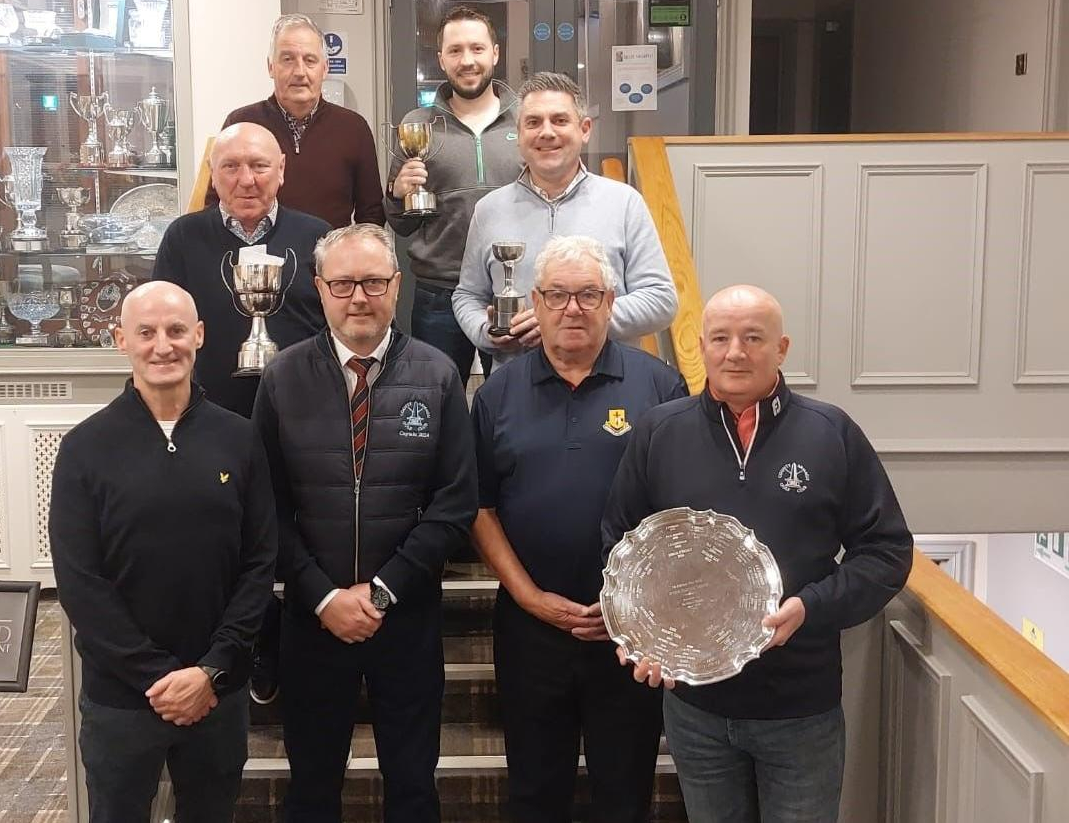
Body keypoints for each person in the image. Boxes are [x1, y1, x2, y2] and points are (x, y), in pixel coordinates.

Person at [602, 285, 914, 823]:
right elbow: (622, 546)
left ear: (781, 348)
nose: (735, 353)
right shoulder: (659, 431)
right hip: (696, 712)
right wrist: (641, 634)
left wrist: (812, 607)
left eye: (753, 338)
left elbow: (886, 551)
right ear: (701, 346)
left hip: (800, 709)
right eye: (720, 338)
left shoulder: (830, 432)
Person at [251, 223, 477, 822]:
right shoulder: (282, 377)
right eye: (344, 283)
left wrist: (380, 592)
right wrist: (323, 597)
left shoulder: (438, 375)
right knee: (311, 789)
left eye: (373, 282)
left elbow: (455, 505)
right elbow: (265, 507)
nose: (359, 297)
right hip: (313, 620)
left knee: (413, 788)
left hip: (406, 619)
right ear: (320, 288)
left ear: (397, 286)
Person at [471, 236, 688, 823]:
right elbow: (480, 508)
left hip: (631, 633)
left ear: (610, 301)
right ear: (535, 303)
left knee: (625, 795)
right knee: (534, 795)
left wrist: (630, 606)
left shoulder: (660, 388)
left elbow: (679, 514)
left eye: (589, 294)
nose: (573, 308)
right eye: (558, 295)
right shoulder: (496, 394)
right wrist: (529, 598)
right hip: (530, 630)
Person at [50, 281, 277, 823]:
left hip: (216, 690)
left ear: (199, 335)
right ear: (120, 339)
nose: (162, 346)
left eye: (176, 330)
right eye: (145, 332)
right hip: (122, 698)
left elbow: (259, 562)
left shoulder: (240, 439)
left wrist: (212, 669)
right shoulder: (84, 448)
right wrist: (156, 677)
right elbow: (80, 582)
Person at [154, 121, 326, 706]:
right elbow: (163, 326)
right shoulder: (185, 238)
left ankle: (295, 645)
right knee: (227, 540)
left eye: (259, 166)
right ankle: (248, 645)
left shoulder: (315, 235)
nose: (246, 179)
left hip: (301, 420)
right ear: (214, 174)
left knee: (297, 534)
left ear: (282, 170)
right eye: (231, 167)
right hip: (212, 419)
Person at [453, 71, 679, 368]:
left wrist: (568, 320)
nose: (546, 132)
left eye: (559, 120)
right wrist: (487, 332)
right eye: (533, 122)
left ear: (584, 129)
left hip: (608, 380)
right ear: (519, 134)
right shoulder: (488, 210)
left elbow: (661, 300)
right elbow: (467, 296)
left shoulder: (624, 203)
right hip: (518, 380)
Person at [385, 6, 522, 384]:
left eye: (477, 48)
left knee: (514, 399)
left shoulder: (527, 120)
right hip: (439, 294)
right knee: (435, 400)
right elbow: (401, 225)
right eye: (456, 50)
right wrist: (397, 193)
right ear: (441, 59)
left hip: (513, 289)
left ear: (495, 53)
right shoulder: (417, 125)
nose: (467, 60)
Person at [203, 13, 385, 228]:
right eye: (288, 59)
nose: (299, 72)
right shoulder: (241, 124)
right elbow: (215, 205)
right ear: (271, 67)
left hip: (328, 249)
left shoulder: (353, 128)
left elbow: (371, 215)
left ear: (325, 68)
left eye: (310, 60)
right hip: (256, 249)